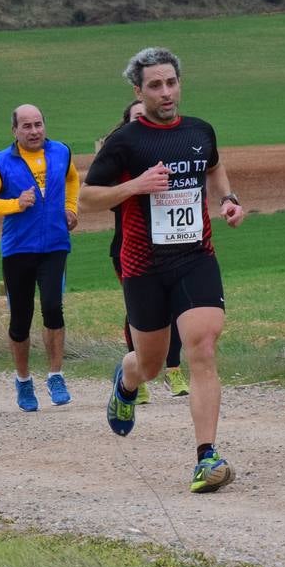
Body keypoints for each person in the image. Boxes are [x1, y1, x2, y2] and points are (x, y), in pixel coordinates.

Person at [81, 47, 246, 493]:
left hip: (195, 257)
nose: (166, 92)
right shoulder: (125, 141)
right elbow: (87, 198)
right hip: (143, 266)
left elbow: (213, 167)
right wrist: (136, 185)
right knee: (151, 364)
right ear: (139, 90)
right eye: (155, 85)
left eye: (171, 82)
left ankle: (205, 457)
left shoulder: (200, 131)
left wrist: (228, 200)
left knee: (203, 344)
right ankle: (127, 378)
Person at [0, 104, 78, 411]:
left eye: (38, 125)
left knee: (53, 307)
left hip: (56, 244)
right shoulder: (2, 162)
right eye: (27, 127)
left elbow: (73, 180)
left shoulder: (61, 152)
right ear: (15, 131)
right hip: (18, 249)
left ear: (45, 125)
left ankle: (56, 375)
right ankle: (23, 381)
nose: (34, 132)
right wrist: (15, 204)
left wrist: (72, 207)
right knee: (21, 318)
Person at [105, 99, 187, 403]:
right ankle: (136, 374)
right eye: (135, 118)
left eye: (146, 117)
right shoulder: (118, 158)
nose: (142, 122)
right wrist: (136, 184)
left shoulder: (167, 152)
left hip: (172, 246)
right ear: (127, 123)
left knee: (176, 308)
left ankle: (174, 369)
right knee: (141, 312)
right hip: (128, 249)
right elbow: (105, 200)